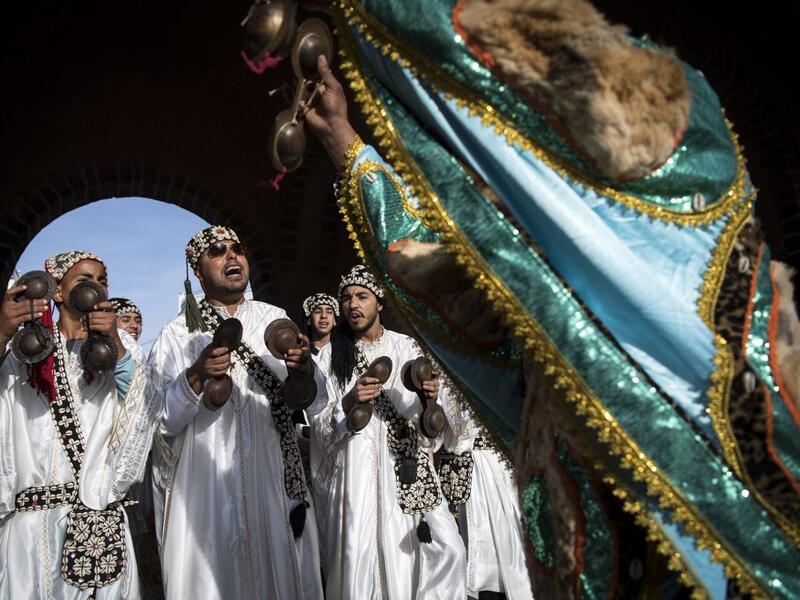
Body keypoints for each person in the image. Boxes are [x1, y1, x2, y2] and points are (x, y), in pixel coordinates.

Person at [148, 225, 325, 600]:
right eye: (217, 251)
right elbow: (160, 422)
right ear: (197, 272)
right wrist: (195, 376)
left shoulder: (275, 318)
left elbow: (315, 400)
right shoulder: (177, 334)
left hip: (274, 472)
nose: (232, 256)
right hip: (205, 483)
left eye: (237, 249)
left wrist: (305, 369)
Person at [0, 250, 156, 598]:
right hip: (30, 526)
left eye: (103, 281)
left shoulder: (121, 346)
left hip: (99, 520)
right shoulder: (24, 350)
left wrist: (115, 343)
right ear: (56, 291)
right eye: (85, 280)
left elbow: (144, 406)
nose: (97, 287)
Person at [309, 264, 466, 599]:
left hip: (406, 475)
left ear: (379, 303)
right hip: (355, 478)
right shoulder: (329, 358)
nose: (353, 304)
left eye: (362, 296)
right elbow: (319, 431)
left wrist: (429, 403)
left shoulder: (407, 349)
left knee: (449, 551)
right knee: (361, 563)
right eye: (347, 297)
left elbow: (429, 439)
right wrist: (348, 402)